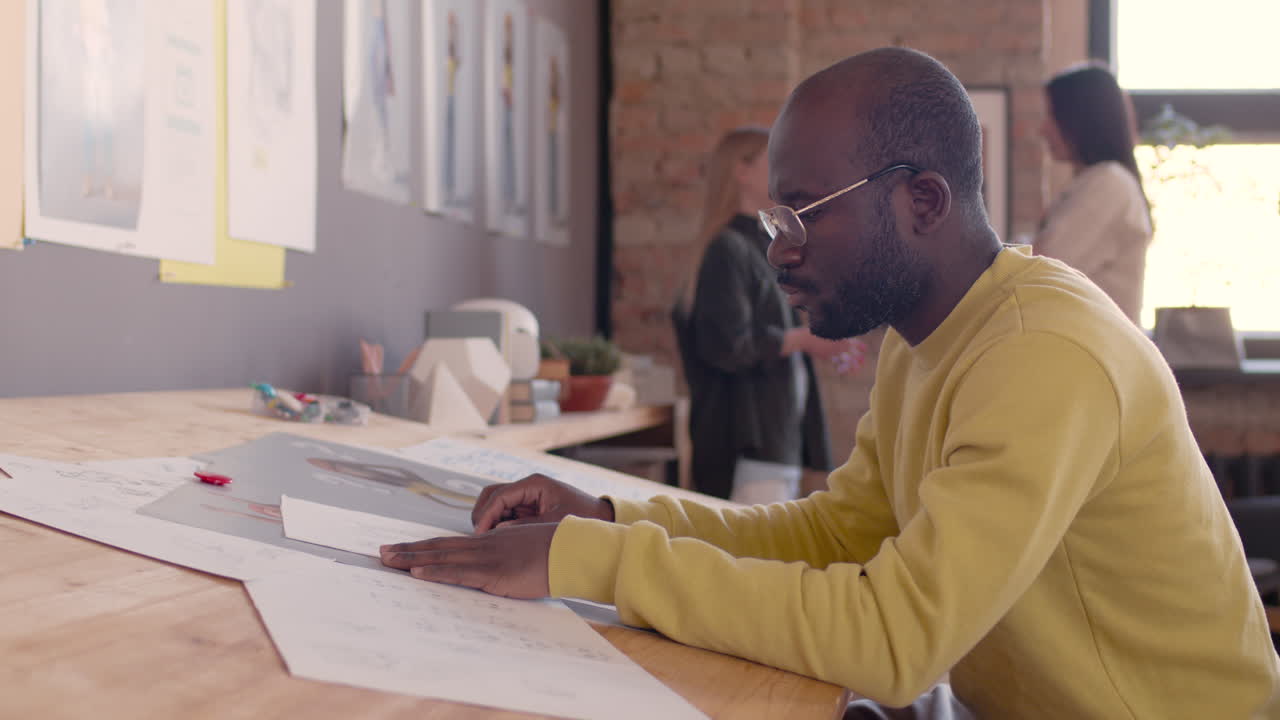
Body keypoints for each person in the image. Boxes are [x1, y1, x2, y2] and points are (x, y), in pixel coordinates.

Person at [380, 48, 1280, 718]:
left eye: (803, 213)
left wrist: (590, 562)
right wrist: (612, 520)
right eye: (774, 216)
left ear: (921, 202)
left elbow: (896, 640)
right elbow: (838, 534)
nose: (780, 250)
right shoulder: (924, 340)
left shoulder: (1047, 353)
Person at [672, 128, 864, 503]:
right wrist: (802, 340)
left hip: (773, 445)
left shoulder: (761, 247)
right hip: (746, 448)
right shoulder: (727, 250)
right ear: (740, 171)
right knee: (748, 559)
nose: (785, 172)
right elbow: (726, 346)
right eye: (773, 160)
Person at [1036, 63, 1153, 325]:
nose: (1043, 129)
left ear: (1079, 119)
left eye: (1052, 116)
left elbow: (1041, 267)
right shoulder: (1095, 183)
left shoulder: (1109, 185)